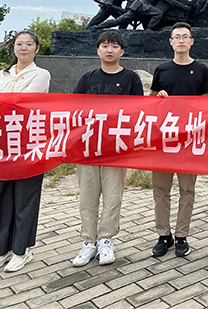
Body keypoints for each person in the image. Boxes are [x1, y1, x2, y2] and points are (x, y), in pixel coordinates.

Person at [72, 31, 144, 267]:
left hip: (116, 148)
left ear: (122, 51)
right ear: (98, 50)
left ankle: (105, 239)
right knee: (88, 197)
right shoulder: (87, 79)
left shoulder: (131, 79)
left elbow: (139, 111)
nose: (109, 50)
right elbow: (73, 110)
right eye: (104, 46)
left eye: (114, 46)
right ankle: (88, 241)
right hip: (87, 148)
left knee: (113, 197)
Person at [0, 31, 51, 272]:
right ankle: (0, 250)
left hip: (28, 143)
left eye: (29, 44)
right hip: (1, 142)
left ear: (36, 49)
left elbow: (22, 102)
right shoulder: (2, 74)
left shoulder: (41, 74)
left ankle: (22, 251)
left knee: (25, 197)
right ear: (13, 48)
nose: (24, 48)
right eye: (19, 44)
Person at [150, 22, 208, 258]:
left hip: (189, 140)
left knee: (187, 190)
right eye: (177, 37)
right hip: (163, 140)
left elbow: (207, 102)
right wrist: (159, 98)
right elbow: (150, 102)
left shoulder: (202, 70)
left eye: (186, 37)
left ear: (191, 41)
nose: (181, 40)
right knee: (160, 189)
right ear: (171, 42)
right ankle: (163, 235)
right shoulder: (162, 69)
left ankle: (182, 235)